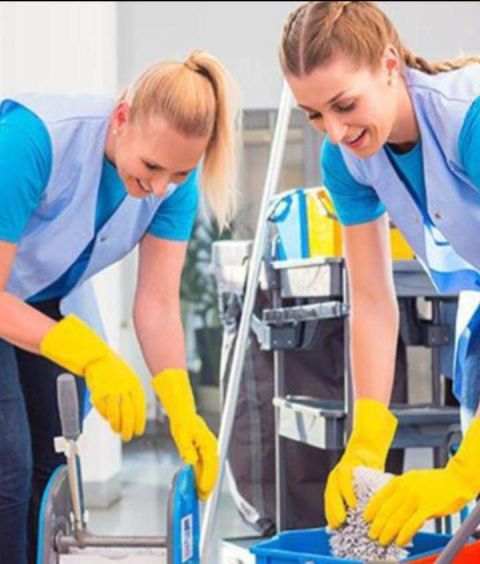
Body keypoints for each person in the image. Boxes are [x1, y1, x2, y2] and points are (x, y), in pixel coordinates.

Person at [0, 49, 239, 564]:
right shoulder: (31, 140)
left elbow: (156, 303)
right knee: (6, 467)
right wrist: (91, 355)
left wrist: (182, 409)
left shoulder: (173, 182)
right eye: (151, 166)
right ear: (122, 117)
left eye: (178, 174)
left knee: (53, 464)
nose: (158, 187)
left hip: (40, 301)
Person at [279, 0, 480, 548]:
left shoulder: (469, 120)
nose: (336, 130)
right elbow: (370, 298)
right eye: (314, 115)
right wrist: (367, 435)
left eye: (344, 104)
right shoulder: (347, 160)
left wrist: (465, 472)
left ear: (389, 65)